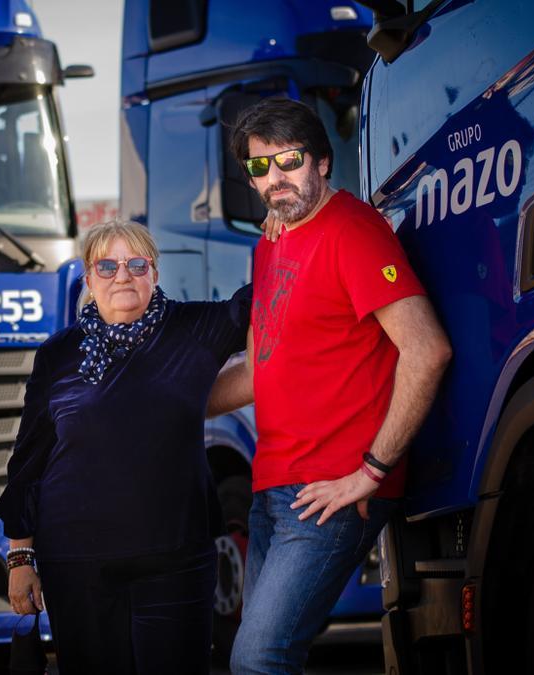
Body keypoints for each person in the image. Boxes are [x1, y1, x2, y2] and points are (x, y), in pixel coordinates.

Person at [207, 97, 452, 674]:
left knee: (258, 658)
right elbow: (261, 367)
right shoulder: (268, 243)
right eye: (259, 167)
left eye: (287, 161)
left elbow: (427, 349)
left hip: (332, 492)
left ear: (321, 160)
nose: (274, 180)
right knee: (261, 658)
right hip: (274, 485)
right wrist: (166, 403)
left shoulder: (353, 231)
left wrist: (371, 471)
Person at [0, 220, 251, 675]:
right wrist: (20, 556)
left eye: (136, 264)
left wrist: (284, 231)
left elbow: (261, 301)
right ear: (89, 280)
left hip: (175, 562)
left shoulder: (191, 329)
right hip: (77, 568)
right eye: (107, 266)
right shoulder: (58, 353)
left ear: (154, 272)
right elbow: (29, 461)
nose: (122, 276)